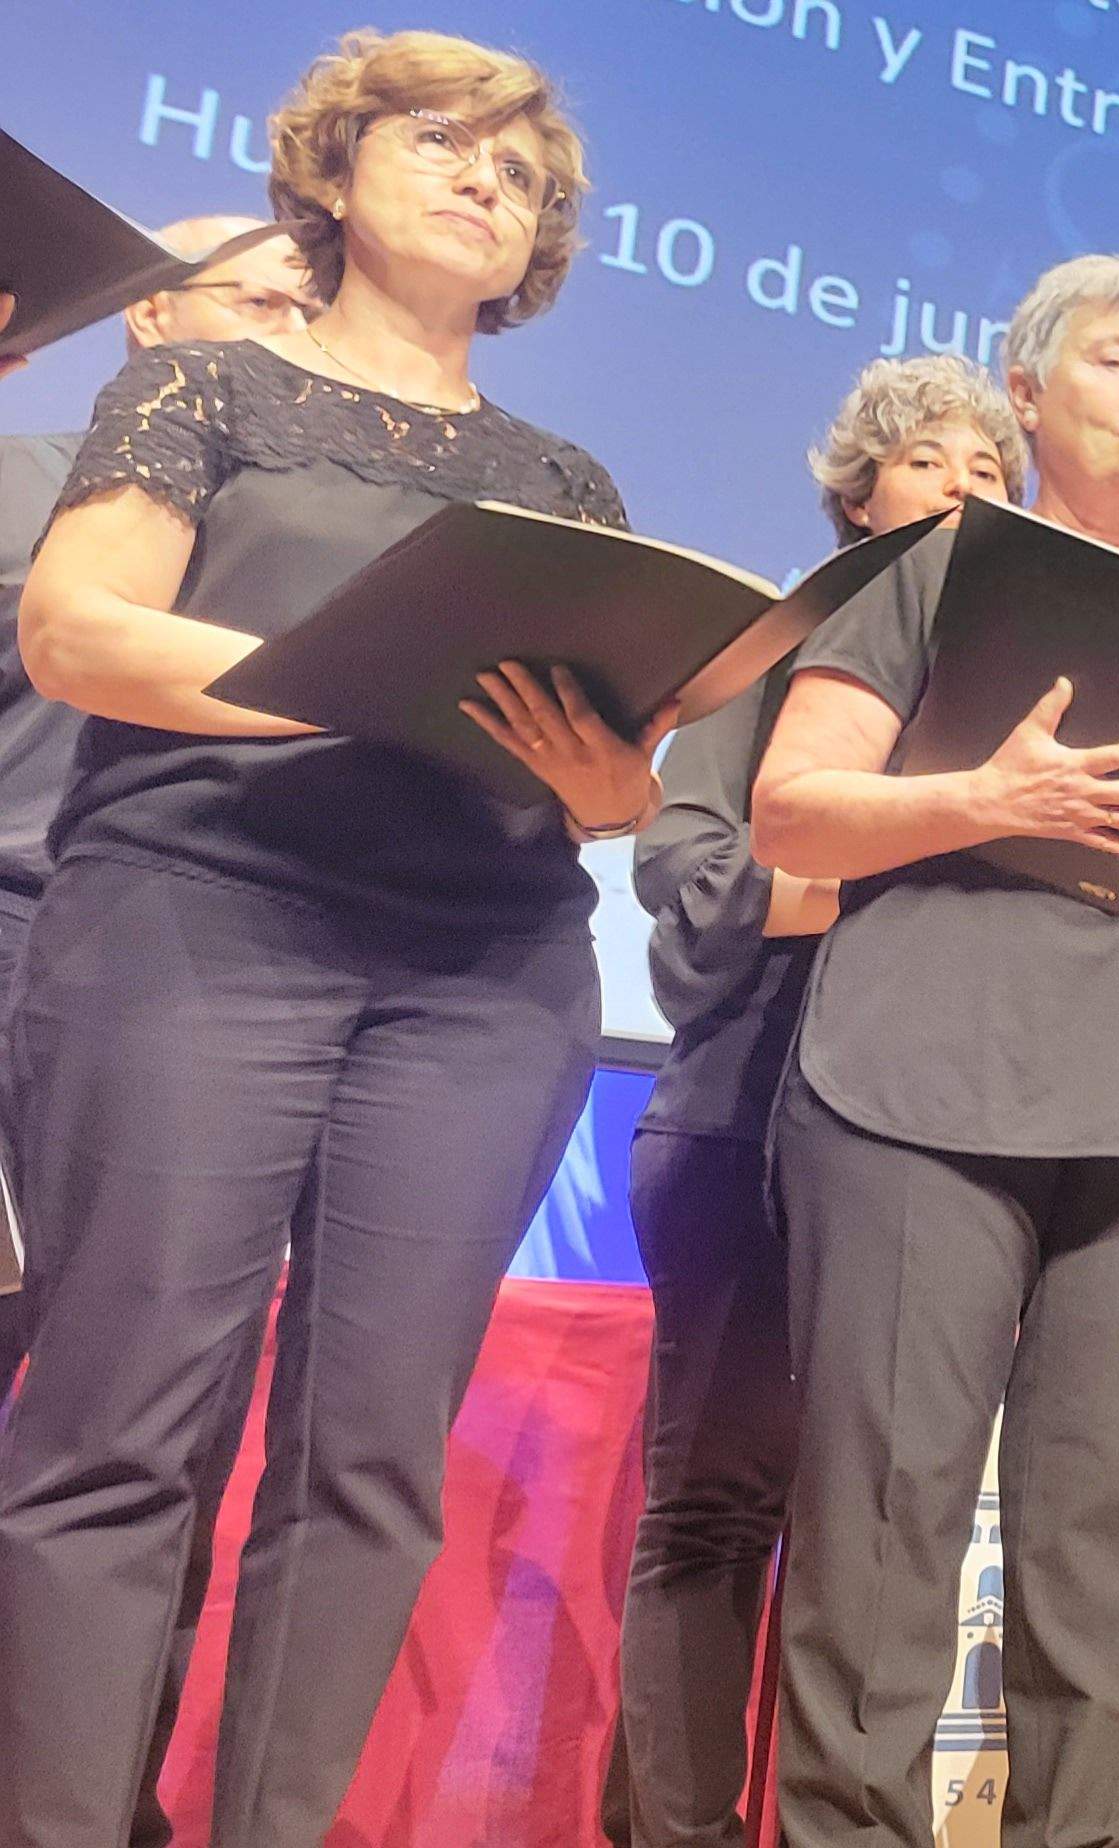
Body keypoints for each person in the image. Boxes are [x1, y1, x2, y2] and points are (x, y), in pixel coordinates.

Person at [0, 34, 636, 1844]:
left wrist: (612, 785)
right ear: (335, 177)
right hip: (197, 921)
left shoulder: (561, 478)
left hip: (485, 972)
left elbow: (607, 780)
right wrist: (364, 680)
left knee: (368, 1464)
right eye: (440, 142)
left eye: (519, 173)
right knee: (119, 1430)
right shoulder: (201, 390)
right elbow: (80, 634)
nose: (486, 180)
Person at [754, 254, 1119, 1848]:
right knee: (884, 1529)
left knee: (1102, 1551)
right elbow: (791, 812)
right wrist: (987, 801)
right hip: (920, 1089)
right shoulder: (929, 573)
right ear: (1025, 395)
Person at [606, 354, 1025, 1848]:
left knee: (866, 1524)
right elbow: (691, 870)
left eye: (991, 470)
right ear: (857, 495)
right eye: (930, 462)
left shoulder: (1005, 694)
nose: (965, 489)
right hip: (745, 1119)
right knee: (718, 1502)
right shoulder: (781, 651)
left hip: (923, 1142)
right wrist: (903, 860)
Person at [0, 209, 305, 1477]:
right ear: (151, 312)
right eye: (258, 303)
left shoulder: (322, 546)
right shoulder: (21, 483)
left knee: (161, 1377)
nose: (287, 339)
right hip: (22, 927)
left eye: (309, 314)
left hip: (223, 967)